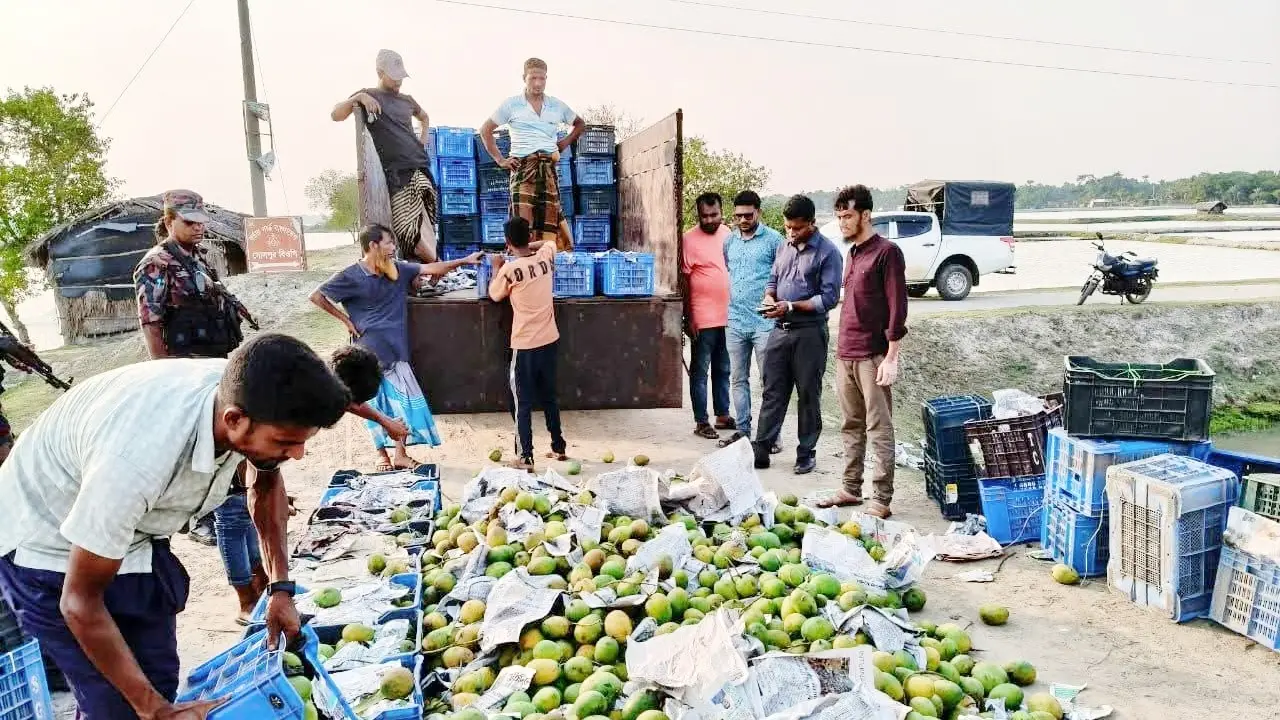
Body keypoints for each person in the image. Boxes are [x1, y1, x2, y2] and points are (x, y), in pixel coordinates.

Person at [0, 333, 350, 719]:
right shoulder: (138, 458)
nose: (298, 455)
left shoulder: (250, 393)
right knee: (115, 704)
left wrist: (280, 588)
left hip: (132, 535)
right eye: (286, 442)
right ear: (233, 420)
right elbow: (78, 602)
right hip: (45, 546)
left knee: (158, 676)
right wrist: (154, 709)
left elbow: (265, 484)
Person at [134, 189, 252, 549]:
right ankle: (203, 515)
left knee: (233, 438)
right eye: (189, 222)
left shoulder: (197, 259)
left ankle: (237, 500)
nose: (198, 228)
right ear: (169, 221)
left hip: (217, 361)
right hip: (187, 370)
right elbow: (151, 322)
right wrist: (165, 375)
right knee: (202, 445)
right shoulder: (156, 263)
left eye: (201, 221)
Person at [310, 224, 481, 470]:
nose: (393, 247)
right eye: (389, 242)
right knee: (375, 406)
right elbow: (316, 296)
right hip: (368, 356)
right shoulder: (351, 275)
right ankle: (384, 456)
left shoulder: (397, 270)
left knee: (401, 405)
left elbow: (432, 268)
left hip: (396, 351)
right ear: (373, 245)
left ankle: (398, 455)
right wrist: (346, 321)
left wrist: (465, 260)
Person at [816, 185, 907, 518]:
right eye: (839, 216)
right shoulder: (852, 253)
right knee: (850, 424)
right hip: (846, 353)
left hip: (874, 355)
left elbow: (898, 308)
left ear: (865, 215)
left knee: (879, 426)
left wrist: (892, 357)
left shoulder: (887, 253)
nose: (842, 222)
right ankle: (850, 489)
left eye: (848, 216)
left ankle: (881, 498)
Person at [752, 195, 843, 474]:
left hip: (810, 334)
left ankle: (806, 453)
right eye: (788, 227)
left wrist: (790, 306)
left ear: (812, 224)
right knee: (772, 392)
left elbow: (827, 299)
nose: (792, 233)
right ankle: (762, 448)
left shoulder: (828, 253)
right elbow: (773, 281)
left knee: (807, 394)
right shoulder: (783, 247)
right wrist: (770, 298)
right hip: (779, 331)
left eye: (798, 228)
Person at [331, 49, 440, 263]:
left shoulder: (407, 100)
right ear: (380, 72)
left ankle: (430, 266)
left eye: (401, 77)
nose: (399, 82)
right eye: (394, 76)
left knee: (425, 220)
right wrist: (359, 97)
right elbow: (336, 114)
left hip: (419, 165)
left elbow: (424, 116)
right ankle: (423, 268)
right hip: (396, 171)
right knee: (404, 225)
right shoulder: (368, 95)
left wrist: (423, 138)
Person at [479, 57, 586, 250]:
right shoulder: (511, 105)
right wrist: (500, 160)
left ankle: (546, 265)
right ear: (524, 78)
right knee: (521, 222)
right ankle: (521, 262)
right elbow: (485, 130)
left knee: (550, 220)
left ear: (546, 79)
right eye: (533, 78)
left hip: (547, 168)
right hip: (522, 167)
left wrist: (564, 143)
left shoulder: (557, 105)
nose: (537, 83)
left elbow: (580, 124)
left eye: (542, 79)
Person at [488, 217, 568, 470]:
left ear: (507, 241)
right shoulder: (545, 257)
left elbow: (494, 294)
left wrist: (496, 266)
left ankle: (525, 456)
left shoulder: (509, 271)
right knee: (549, 396)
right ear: (530, 236)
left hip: (524, 346)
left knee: (521, 401)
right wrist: (528, 246)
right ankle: (558, 446)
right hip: (550, 340)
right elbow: (549, 242)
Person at [717, 190, 784, 452]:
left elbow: (782, 275)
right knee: (738, 379)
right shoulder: (729, 242)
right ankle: (743, 433)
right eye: (738, 216)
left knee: (770, 380)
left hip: (764, 322)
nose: (743, 220)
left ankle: (772, 437)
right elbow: (731, 271)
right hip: (735, 321)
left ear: (759, 212)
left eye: (748, 215)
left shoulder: (774, 241)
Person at [682, 192, 734, 440]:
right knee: (700, 371)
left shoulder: (729, 235)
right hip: (702, 319)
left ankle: (722, 414)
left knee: (724, 368)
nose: (711, 220)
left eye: (715, 215)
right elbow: (684, 281)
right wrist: (688, 316)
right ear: (698, 215)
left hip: (729, 317)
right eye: (705, 216)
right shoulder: (688, 240)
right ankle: (701, 421)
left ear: (721, 212)